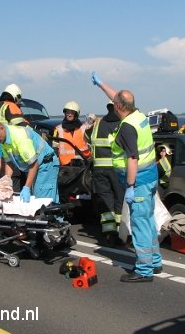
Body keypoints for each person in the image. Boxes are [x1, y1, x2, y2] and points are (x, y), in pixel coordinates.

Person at [91, 72, 162, 283]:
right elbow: (118, 97)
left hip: (138, 180)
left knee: (139, 223)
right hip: (150, 177)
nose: (113, 104)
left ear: (118, 107)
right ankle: (154, 261)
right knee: (148, 221)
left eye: (115, 103)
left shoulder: (127, 128)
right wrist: (101, 84)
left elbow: (132, 157)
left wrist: (130, 186)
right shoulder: (138, 115)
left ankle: (144, 270)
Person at [0, 120, 59, 203]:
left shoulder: (19, 137)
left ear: (2, 129)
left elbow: (34, 164)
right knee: (35, 197)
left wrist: (26, 187)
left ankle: (53, 215)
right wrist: (7, 180)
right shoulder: (3, 140)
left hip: (46, 164)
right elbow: (9, 162)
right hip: (35, 166)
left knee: (42, 199)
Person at [90, 101, 125, 247]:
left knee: (106, 201)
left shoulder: (98, 124)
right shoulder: (123, 124)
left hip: (99, 169)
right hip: (117, 168)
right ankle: (119, 232)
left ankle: (109, 233)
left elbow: (88, 138)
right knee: (119, 200)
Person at [52, 101, 93, 166]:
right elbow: (54, 149)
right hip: (65, 166)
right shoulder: (58, 129)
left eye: (72, 113)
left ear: (76, 114)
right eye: (67, 112)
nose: (69, 114)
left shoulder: (84, 128)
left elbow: (92, 145)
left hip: (84, 164)